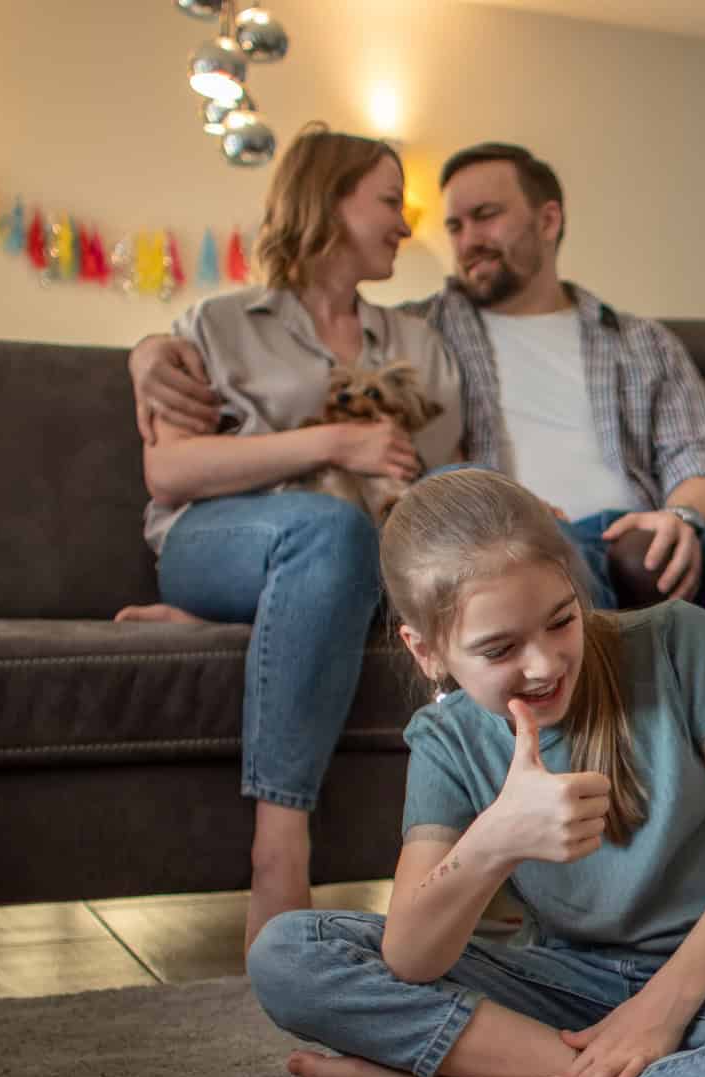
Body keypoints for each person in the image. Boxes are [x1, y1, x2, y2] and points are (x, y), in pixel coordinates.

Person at [130, 143, 705, 825]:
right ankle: (612, 833)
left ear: (548, 220)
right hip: (526, 536)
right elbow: (387, 477)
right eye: (455, 225)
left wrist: (684, 516)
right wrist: (148, 351)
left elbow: (699, 462)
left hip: (650, 529)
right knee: (539, 550)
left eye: (485, 216)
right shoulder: (428, 329)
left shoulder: (638, 340)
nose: (464, 239)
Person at [244, 468, 705, 1077]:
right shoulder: (445, 740)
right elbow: (411, 955)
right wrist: (496, 840)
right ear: (426, 651)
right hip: (571, 988)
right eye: (501, 648)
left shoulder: (679, 645)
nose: (543, 663)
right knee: (286, 953)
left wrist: (660, 1011)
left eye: (562, 619)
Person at [115, 126, 464, 952]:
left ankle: (496, 856)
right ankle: (279, 848)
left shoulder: (417, 344)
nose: (404, 225)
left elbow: (428, 498)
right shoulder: (217, 323)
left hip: (362, 550)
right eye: (388, 199)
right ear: (330, 199)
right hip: (217, 540)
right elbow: (170, 470)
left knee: (393, 541)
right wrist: (332, 444)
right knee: (328, 529)